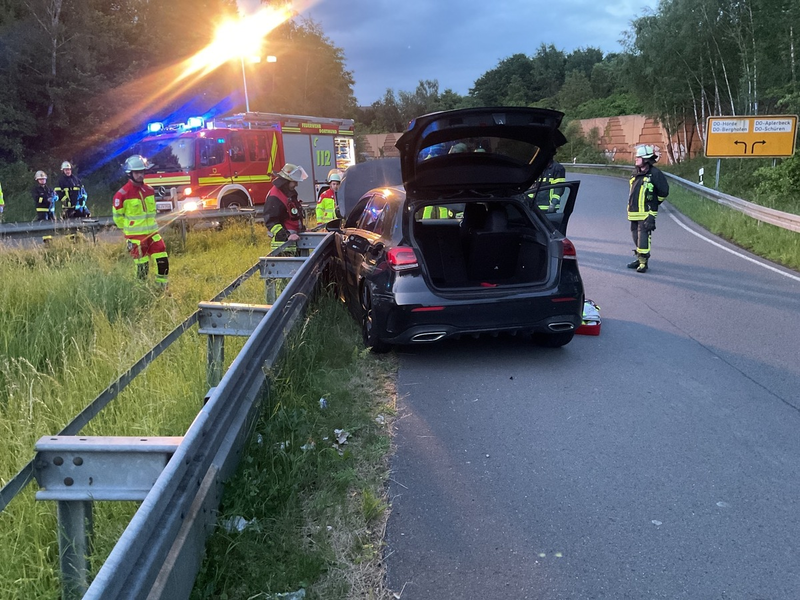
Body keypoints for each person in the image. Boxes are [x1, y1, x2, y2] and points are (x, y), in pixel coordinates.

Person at [113, 155, 169, 286]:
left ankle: (162, 288)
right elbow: (118, 218)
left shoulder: (149, 190)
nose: (140, 175)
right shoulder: (121, 194)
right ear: (130, 173)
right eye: (137, 172)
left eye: (142, 172)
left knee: (163, 260)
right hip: (136, 237)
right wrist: (130, 231)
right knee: (142, 267)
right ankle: (141, 290)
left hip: (153, 233)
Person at [626, 144, 669, 273]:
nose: (636, 159)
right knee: (636, 237)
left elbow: (663, 192)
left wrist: (653, 206)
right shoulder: (636, 172)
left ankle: (644, 263)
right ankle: (639, 259)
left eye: (638, 157)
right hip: (634, 212)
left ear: (645, 159)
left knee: (643, 237)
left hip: (647, 212)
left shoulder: (655, 174)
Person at [264, 163, 308, 253]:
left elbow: (292, 216)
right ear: (287, 180)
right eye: (294, 181)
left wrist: (303, 230)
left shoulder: (288, 193)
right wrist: (286, 236)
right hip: (284, 245)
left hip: (294, 242)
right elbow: (271, 222)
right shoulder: (275, 196)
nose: (296, 184)